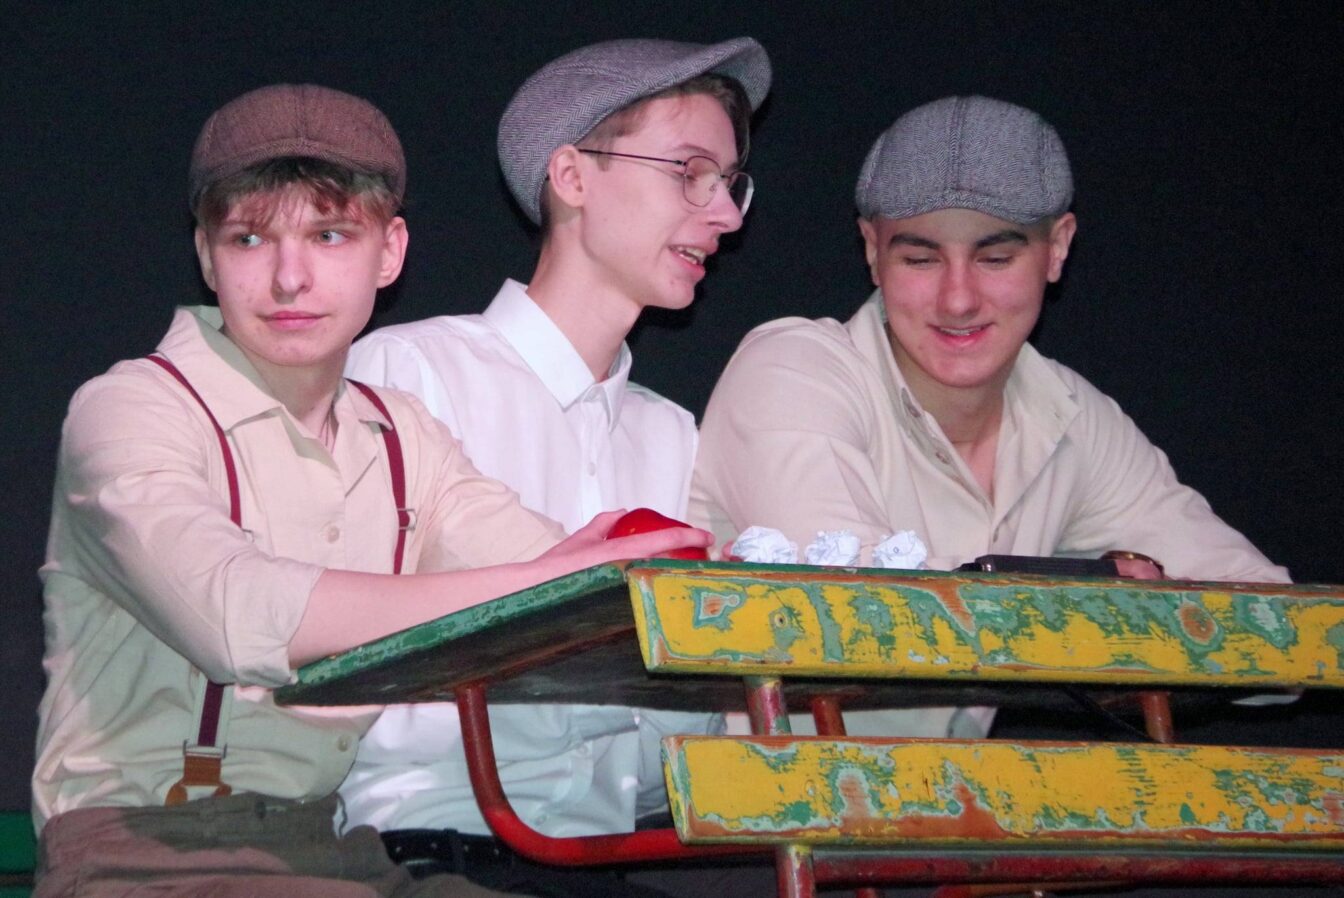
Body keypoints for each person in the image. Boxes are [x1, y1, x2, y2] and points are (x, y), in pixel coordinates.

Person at [32, 82, 708, 898]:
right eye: (249, 239)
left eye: (329, 235)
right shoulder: (130, 407)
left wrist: (644, 571)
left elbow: (539, 568)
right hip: (143, 852)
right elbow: (236, 612)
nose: (289, 278)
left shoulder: (399, 433)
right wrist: (549, 578)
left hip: (328, 847)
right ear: (207, 256)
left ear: (390, 253)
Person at [690, 94, 1290, 738]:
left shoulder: (1074, 414)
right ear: (871, 250)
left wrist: (1097, 604)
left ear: (1058, 248)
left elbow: (1285, 636)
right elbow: (860, 616)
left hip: (941, 799)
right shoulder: (794, 368)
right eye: (920, 259)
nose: (958, 299)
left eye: (995, 258)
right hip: (741, 799)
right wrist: (1104, 603)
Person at [340, 38, 771, 894]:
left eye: (729, 183)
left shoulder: (671, 435)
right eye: (690, 172)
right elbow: (347, 662)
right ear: (571, 176)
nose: (724, 212)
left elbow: (665, 747)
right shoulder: (409, 374)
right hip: (424, 857)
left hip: (604, 863)